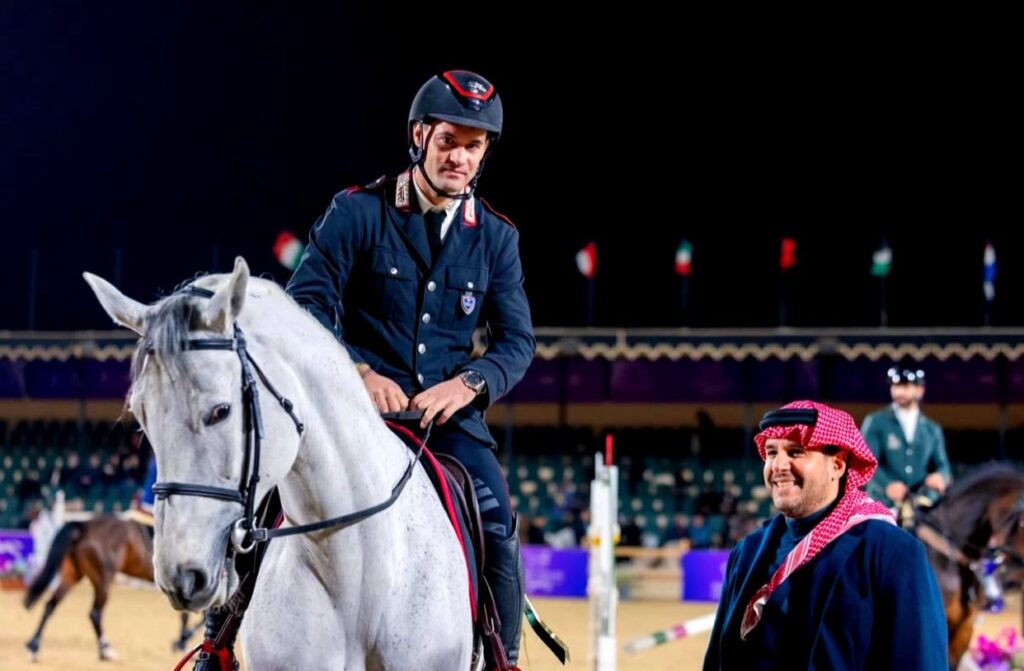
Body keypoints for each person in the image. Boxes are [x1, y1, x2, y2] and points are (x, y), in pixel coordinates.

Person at [282, 69, 534, 671]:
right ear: (420, 135)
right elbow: (306, 302)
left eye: (473, 146)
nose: (459, 157)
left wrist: (469, 383)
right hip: (353, 412)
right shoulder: (356, 211)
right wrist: (358, 372)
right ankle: (219, 637)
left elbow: (517, 342)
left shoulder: (496, 238)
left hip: (447, 423)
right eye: (448, 141)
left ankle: (504, 660)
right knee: (266, 493)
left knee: (498, 524)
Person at [703, 400, 947, 670]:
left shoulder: (892, 552)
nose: (778, 465)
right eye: (771, 453)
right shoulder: (747, 553)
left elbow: (920, 661)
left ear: (838, 465)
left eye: (795, 452)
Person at [861, 367, 951, 514]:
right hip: (883, 503)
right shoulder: (876, 422)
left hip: (921, 505)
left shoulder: (932, 429)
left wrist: (941, 476)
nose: (900, 392)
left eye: (906, 386)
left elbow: (943, 465)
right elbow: (866, 462)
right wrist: (887, 485)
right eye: (896, 386)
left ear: (920, 390)